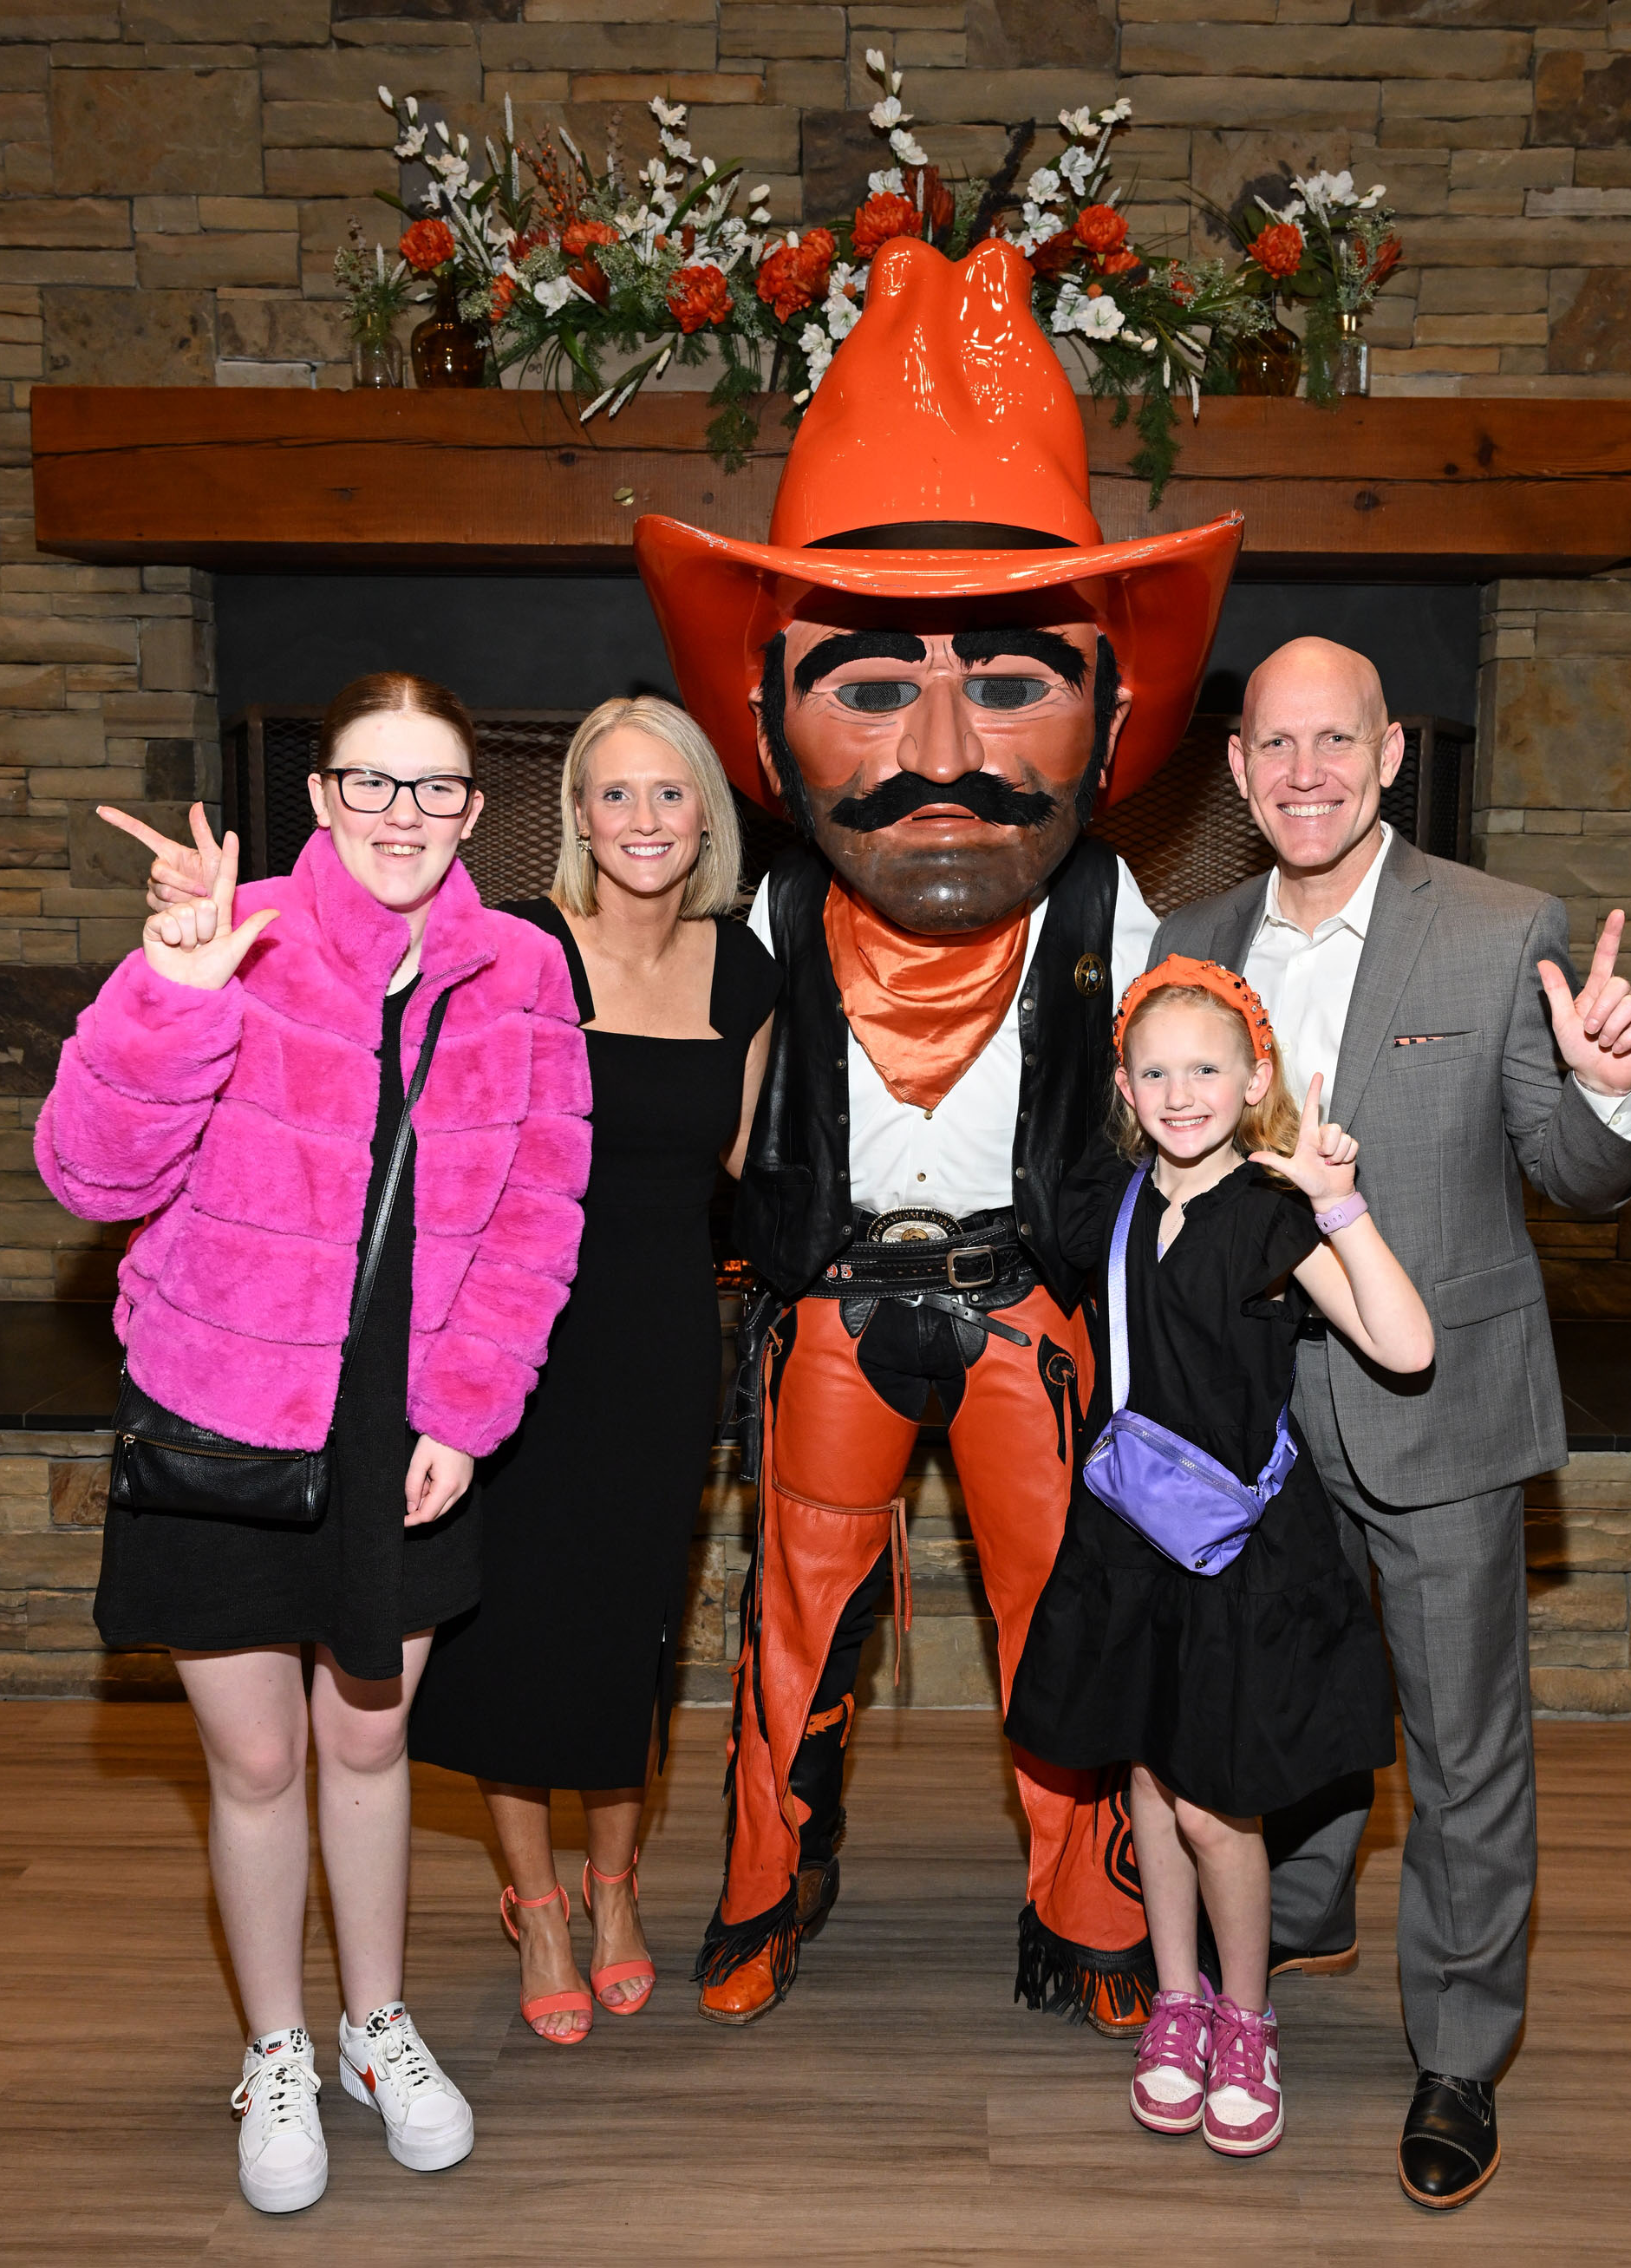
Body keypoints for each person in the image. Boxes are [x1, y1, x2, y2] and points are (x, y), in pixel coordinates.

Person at [631, 232, 1242, 2028]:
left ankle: (1095, 1912)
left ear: (1114, 709)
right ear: (768, 716)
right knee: (791, 1623)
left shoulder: (1127, 926)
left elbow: (1227, 1112)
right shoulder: (743, 930)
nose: (947, 742)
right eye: (876, 686)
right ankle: (761, 1893)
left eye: (1012, 678)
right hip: (825, 1311)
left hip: (1027, 1325)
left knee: (1069, 1613)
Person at [45, 674, 590, 2213]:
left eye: (435, 788)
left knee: (368, 1738)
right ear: (324, 796)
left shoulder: (524, 974)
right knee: (261, 1752)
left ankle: (375, 2025)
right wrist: (176, 983)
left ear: (479, 811)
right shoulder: (241, 932)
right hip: (216, 1400)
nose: (403, 814)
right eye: (373, 782)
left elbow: (538, 1217)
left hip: (403, 1426)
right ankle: (275, 2046)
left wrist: (470, 1412)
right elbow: (90, 1175)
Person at [1151, 636, 1631, 2207]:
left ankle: (1457, 2049)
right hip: (1253, 1411)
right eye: (1274, 746)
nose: (1305, 772)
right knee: (1279, 1695)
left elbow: (1581, 1184)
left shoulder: (1504, 931)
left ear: (1389, 757)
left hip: (1433, 1403)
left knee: (1460, 1749)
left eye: (1338, 742)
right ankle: (1296, 1911)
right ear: (1237, 772)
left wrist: (1606, 1095)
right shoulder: (1195, 934)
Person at [1008, 958, 1431, 2157]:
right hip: (1131, 1535)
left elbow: (1404, 1346)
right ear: (1126, 1092)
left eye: (1205, 1069)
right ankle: (1176, 1998)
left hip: (1240, 1545)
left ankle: (1248, 2017)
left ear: (1255, 1081)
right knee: (1149, 1772)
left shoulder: (1270, 1210)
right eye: (1155, 1072)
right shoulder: (1112, 1206)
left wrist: (1341, 1202)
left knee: (1215, 1800)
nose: (1180, 1091)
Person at [407, 696, 778, 2043]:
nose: (641, 821)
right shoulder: (514, 953)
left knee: (627, 1626)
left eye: (668, 795)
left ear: (705, 819)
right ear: (572, 811)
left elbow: (747, 1164)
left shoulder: (744, 971)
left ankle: (614, 1886)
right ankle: (539, 1907)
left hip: (661, 1339)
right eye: (613, 795)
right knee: (509, 1632)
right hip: (513, 1337)